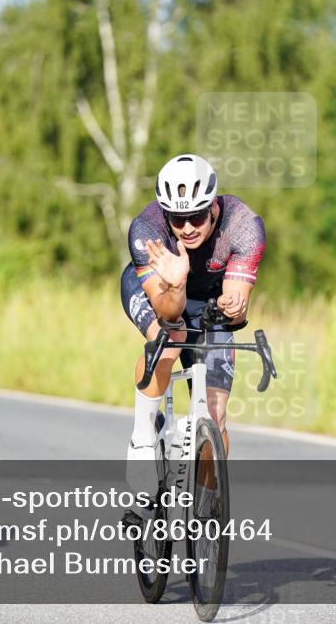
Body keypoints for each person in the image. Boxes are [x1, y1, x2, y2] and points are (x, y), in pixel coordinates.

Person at [120, 154, 265, 493]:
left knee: (216, 415)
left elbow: (236, 314)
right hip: (163, 292)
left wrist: (234, 307)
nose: (187, 228)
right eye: (178, 219)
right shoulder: (147, 229)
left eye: (197, 216)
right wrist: (176, 283)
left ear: (213, 205)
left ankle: (205, 508)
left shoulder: (244, 226)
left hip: (212, 300)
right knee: (171, 338)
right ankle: (142, 439)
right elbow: (169, 314)